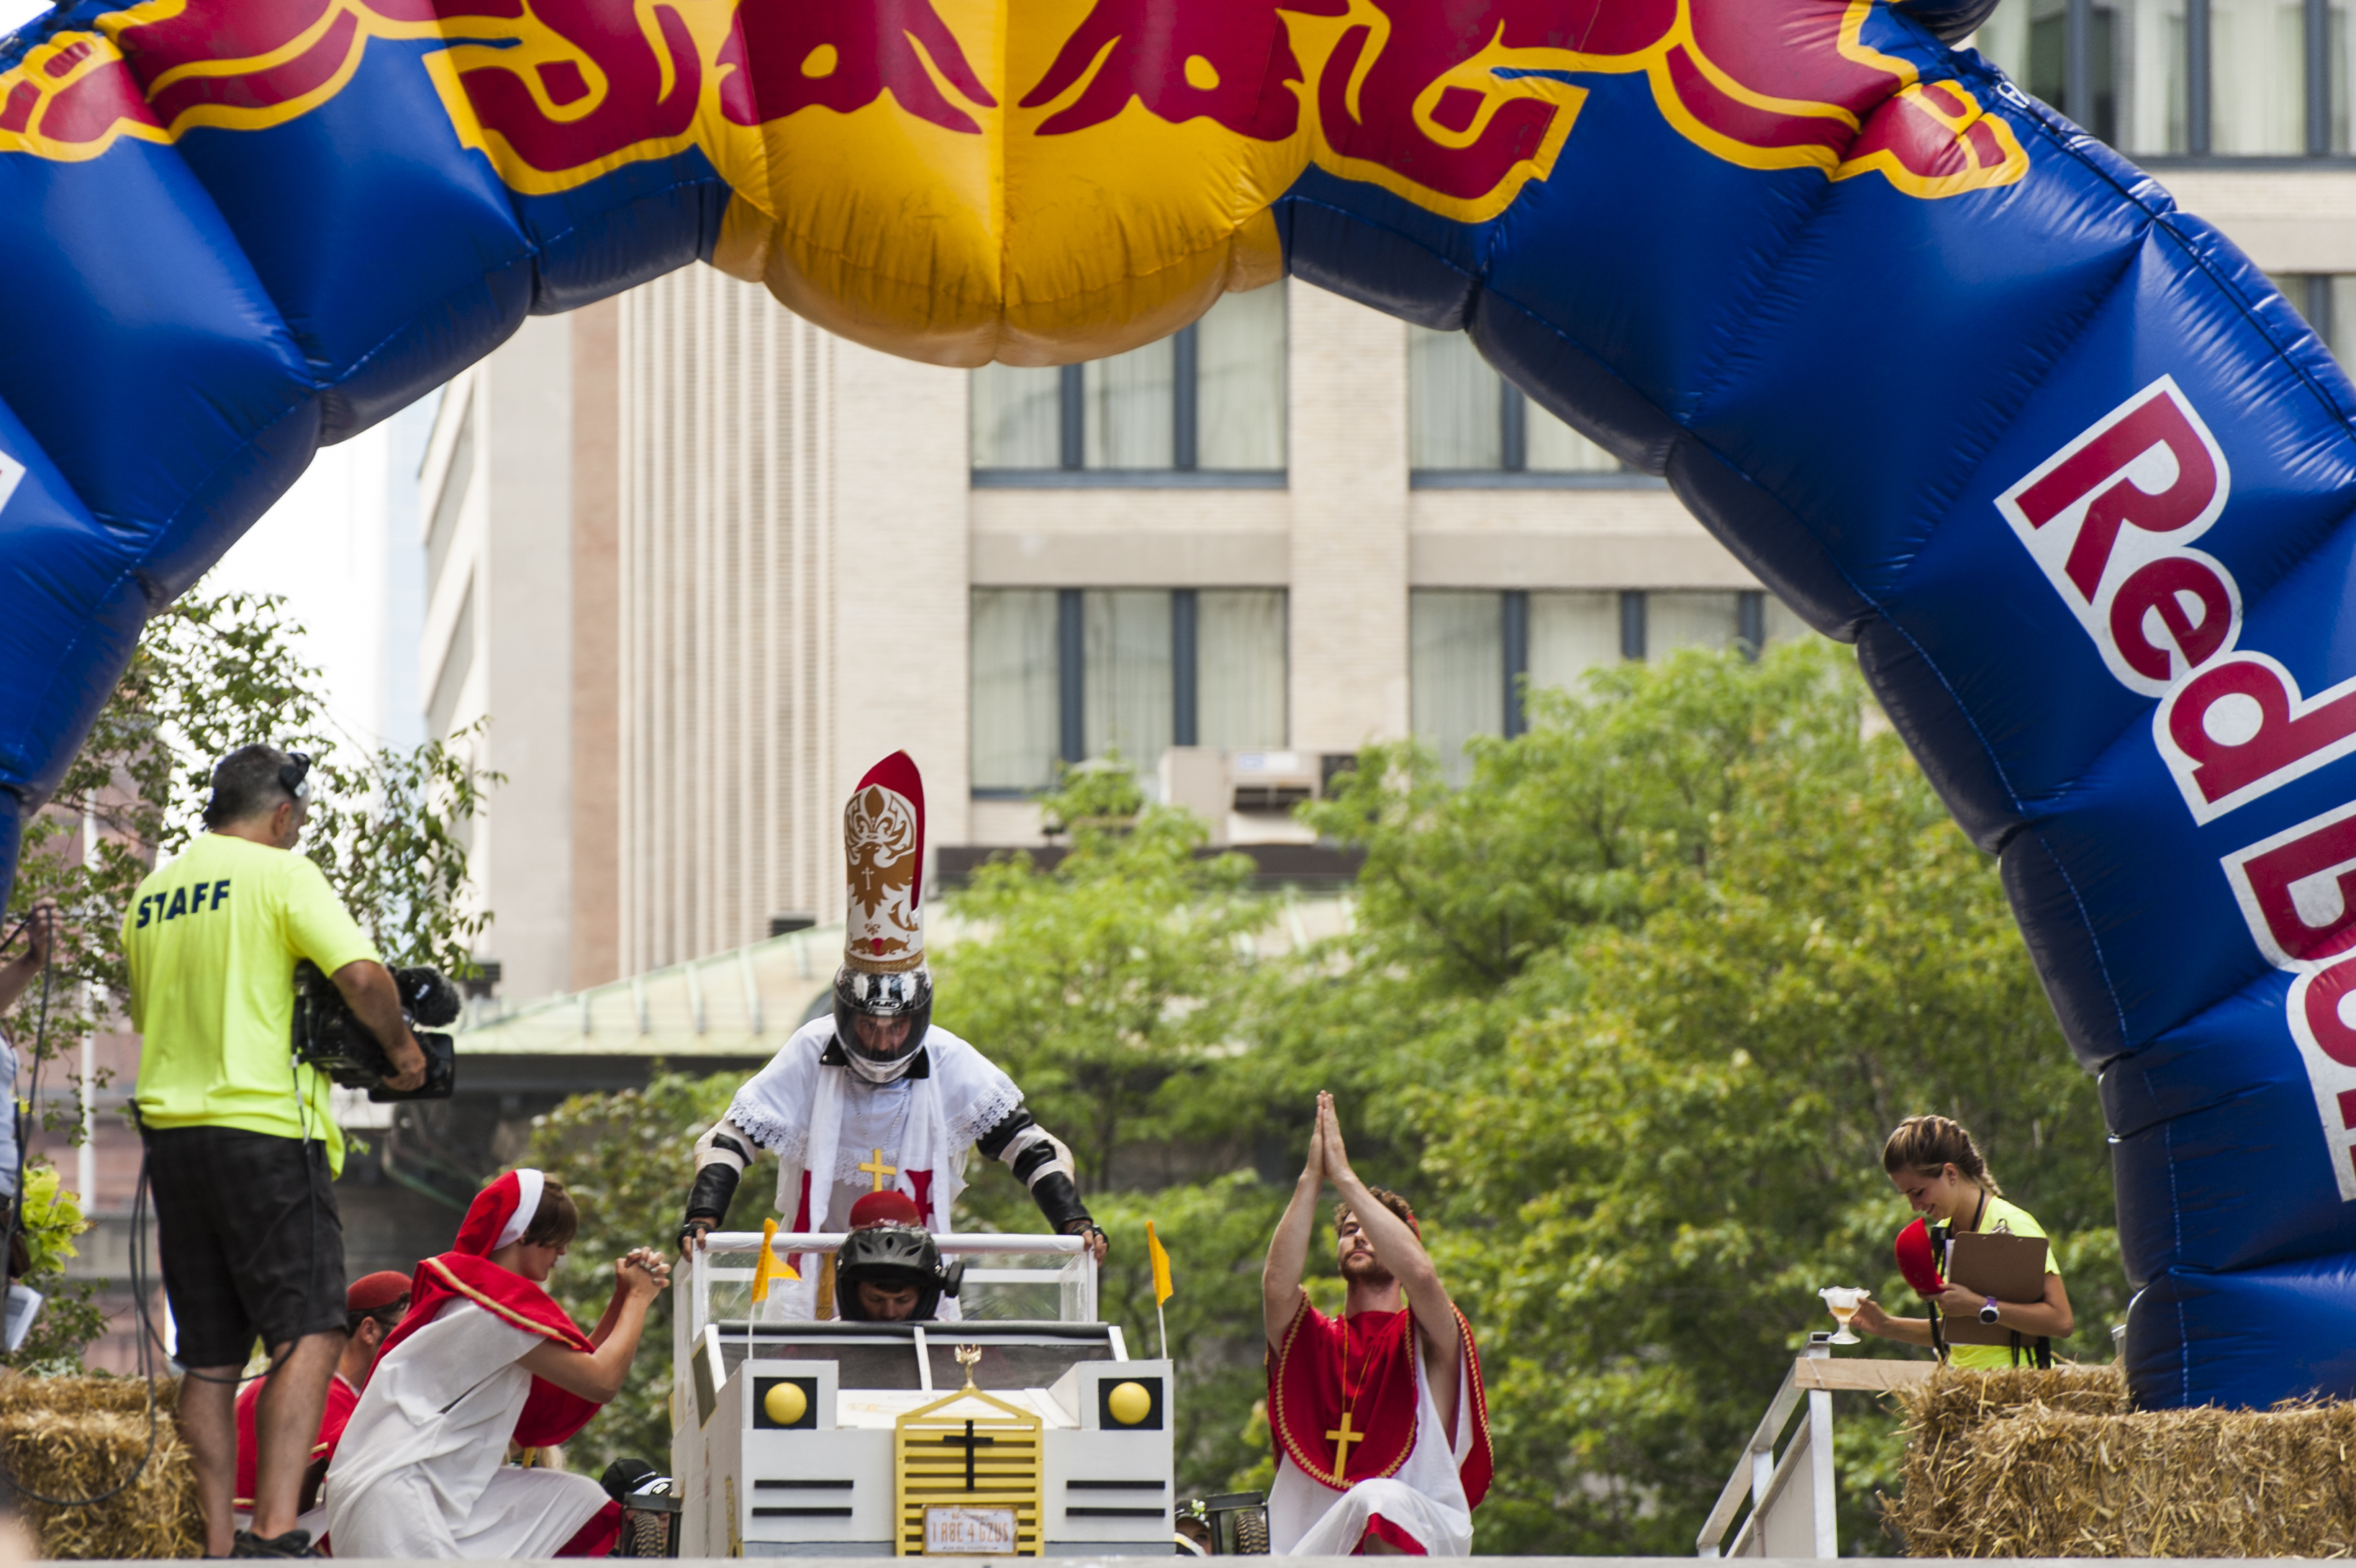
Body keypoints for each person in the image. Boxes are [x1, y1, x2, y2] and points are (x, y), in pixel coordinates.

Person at [119, 745, 427, 1559]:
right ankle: (277, 1528)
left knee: (212, 1356)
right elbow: (361, 975)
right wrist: (401, 1052)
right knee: (311, 1330)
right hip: (261, 1130)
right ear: (282, 813)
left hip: (173, 1140)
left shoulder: (150, 896)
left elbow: (153, 1010)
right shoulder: (282, 874)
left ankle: (218, 1543)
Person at [677, 752, 1105, 1318]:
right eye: (869, 1027)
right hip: (819, 1271)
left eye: (896, 1026)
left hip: (917, 1277)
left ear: (918, 1017)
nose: (882, 1042)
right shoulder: (812, 1046)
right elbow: (732, 1138)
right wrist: (704, 1216)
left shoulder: (949, 1056)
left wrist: (1074, 1222)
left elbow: (1028, 1144)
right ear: (844, 1014)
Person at [322, 1169, 668, 1559]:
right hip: (396, 1491)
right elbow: (600, 1380)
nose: (564, 1252)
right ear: (523, 1233)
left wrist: (621, 1299)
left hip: (420, 1487)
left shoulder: (479, 1301)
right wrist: (638, 1300)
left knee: (576, 1499)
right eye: (558, 1238)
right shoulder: (493, 1312)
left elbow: (580, 1364)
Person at [1261, 1093, 1491, 1556]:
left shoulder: (1427, 1337)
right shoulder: (1314, 1340)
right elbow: (1276, 1288)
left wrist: (1345, 1178)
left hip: (1420, 1537)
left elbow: (1423, 1277)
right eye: (1348, 1230)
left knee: (1375, 1499)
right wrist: (1312, 1177)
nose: (1359, 1233)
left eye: (1372, 1225)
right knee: (1366, 1502)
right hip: (1318, 1548)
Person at [1850, 1115, 2075, 1366]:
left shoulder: (2011, 1225)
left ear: (1950, 1173)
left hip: (2016, 1389)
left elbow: (2061, 1321)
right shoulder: (1943, 1233)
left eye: (1919, 1192)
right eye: (1907, 1196)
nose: (1914, 1206)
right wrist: (1886, 1326)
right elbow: (1963, 1334)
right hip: (1962, 1387)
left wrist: (1979, 1305)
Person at [232, 1272, 412, 1533]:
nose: (413, 1343)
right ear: (369, 1330)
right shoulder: (324, 1393)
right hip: (250, 1535)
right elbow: (301, 1496)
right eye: (407, 1331)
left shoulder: (334, 1387)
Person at [834, 1191, 961, 1322]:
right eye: (875, 1299)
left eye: (904, 1300)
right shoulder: (822, 1341)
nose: (889, 1313)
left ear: (925, 1296)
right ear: (851, 1294)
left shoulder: (953, 1341)